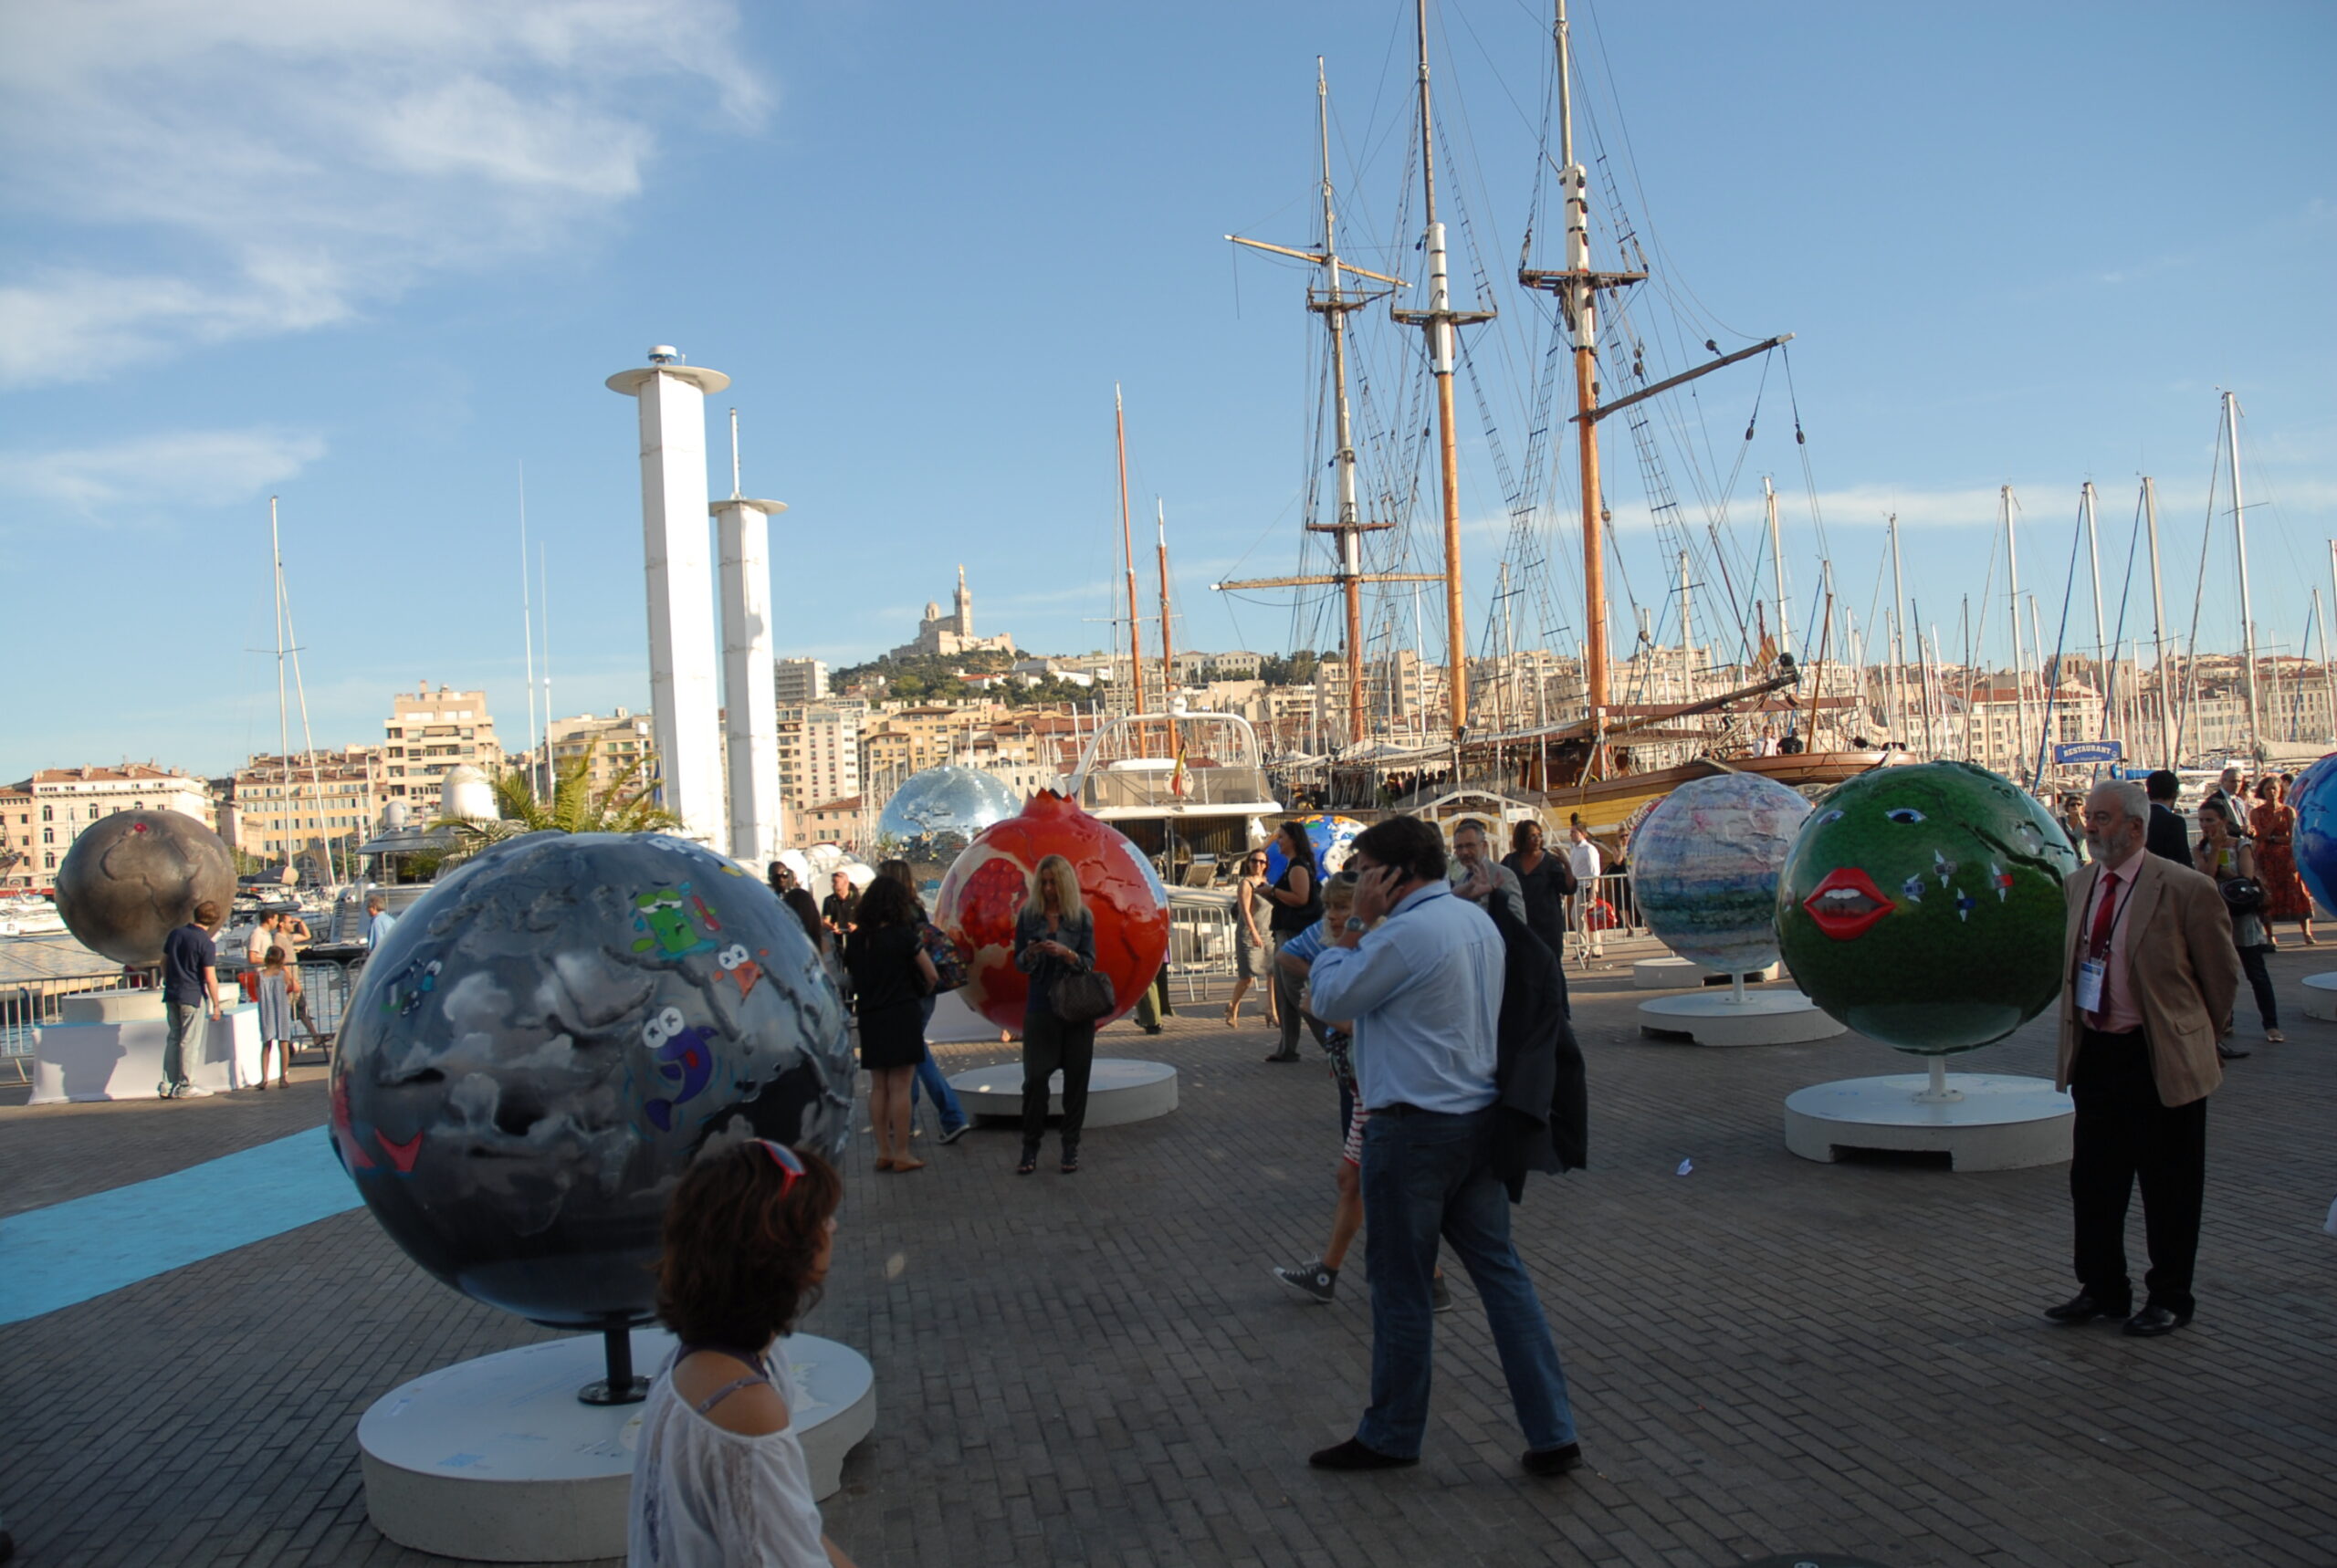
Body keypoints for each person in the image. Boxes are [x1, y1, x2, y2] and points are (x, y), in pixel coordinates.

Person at [1304, 815, 1580, 1476]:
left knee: (1400, 1287)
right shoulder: (1471, 921)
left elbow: (1327, 993)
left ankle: (1392, 1433)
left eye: (1364, 869)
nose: (1357, 882)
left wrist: (1355, 925)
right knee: (1503, 1279)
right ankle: (1553, 1431)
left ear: (1394, 875)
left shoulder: (1404, 933)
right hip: (1477, 1122)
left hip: (1412, 1131)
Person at [2051, 779, 2241, 1338]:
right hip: (2097, 1053)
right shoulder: (2079, 884)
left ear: (2137, 827)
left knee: (2170, 1187)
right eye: (2089, 817)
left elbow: (2221, 975)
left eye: (2103, 818)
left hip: (2159, 1054)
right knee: (2094, 1183)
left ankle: (2170, 1297)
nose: (2091, 827)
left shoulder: (2183, 888)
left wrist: (2198, 1035)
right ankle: (2104, 1289)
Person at [627, 1137, 856, 1568]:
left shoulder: (701, 1360)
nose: (833, 1227)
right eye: (821, 1218)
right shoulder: (745, 1406)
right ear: (780, 1249)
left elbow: (794, 1532)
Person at [1268, 872, 1454, 1314]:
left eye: (1342, 908)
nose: (1332, 916)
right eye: (1329, 907)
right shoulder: (1345, 948)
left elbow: (1378, 1024)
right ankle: (1329, 1274)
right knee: (1354, 1182)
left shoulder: (1379, 951)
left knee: (1380, 1187)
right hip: (1364, 1088)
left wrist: (1327, 1010)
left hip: (1383, 1090)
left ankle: (1427, 1279)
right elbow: (1288, 956)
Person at [842, 875, 938, 1173]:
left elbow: (850, 976)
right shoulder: (903, 937)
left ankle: (883, 1151)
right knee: (901, 1086)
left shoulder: (858, 939)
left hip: (870, 1015)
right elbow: (932, 975)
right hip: (901, 1013)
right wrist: (919, 992)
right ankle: (902, 1153)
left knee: (878, 1087)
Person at [1012, 853, 1099, 1176]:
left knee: (1077, 1080)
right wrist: (1032, 953)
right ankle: (1030, 1146)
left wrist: (1068, 954)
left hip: (1075, 1006)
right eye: (1043, 882)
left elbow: (1089, 961)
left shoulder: (1081, 917)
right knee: (1035, 1080)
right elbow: (1018, 962)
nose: (1048, 888)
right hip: (1040, 1004)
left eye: (1053, 882)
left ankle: (1070, 1146)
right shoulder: (1028, 916)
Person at [876, 859, 969, 1146]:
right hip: (922, 993)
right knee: (911, 1056)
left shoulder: (894, 917)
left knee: (915, 1056)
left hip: (907, 994)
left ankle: (950, 1115)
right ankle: (910, 1120)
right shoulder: (915, 910)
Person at [2196, 798, 2280, 1050]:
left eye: (2209, 820)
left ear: (2223, 821)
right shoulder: (2200, 848)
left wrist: (2223, 866)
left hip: (2242, 916)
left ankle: (2271, 1023)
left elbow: (2246, 878)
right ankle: (2224, 1021)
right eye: (2201, 821)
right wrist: (2215, 852)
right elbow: (2205, 877)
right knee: (2219, 974)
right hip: (2215, 916)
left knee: (2256, 971)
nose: (2205, 825)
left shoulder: (2242, 845)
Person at [1261, 821, 1325, 1063]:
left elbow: (1300, 898)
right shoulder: (1292, 866)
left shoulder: (1298, 867)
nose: (1279, 841)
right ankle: (1287, 1047)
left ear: (1294, 840)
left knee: (1295, 992)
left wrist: (1273, 893)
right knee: (1284, 996)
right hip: (1285, 933)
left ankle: (1331, 1043)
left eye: (1282, 837)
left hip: (1293, 936)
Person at [1502, 821, 1576, 1018]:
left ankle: (1561, 1012)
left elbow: (1568, 888)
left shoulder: (1550, 861)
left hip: (1547, 924)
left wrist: (1567, 865)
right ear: (1521, 839)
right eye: (1532, 836)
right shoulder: (1510, 861)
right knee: (1523, 969)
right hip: (1521, 925)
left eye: (1539, 835)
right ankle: (1530, 1014)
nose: (1537, 840)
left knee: (1552, 967)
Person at [159, 900, 225, 1099]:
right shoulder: (205, 943)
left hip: (172, 993)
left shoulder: (176, 934)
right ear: (214, 921)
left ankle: (167, 1084)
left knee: (173, 1038)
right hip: (192, 994)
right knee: (189, 1041)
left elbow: (164, 961)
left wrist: (168, 979)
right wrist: (216, 1005)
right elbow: (210, 978)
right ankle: (186, 1085)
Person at [2248, 775, 2315, 948]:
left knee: (2297, 890)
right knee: (2269, 893)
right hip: (2266, 858)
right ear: (2262, 792)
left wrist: (2274, 838)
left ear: (2280, 791)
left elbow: (2292, 837)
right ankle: (2270, 934)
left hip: (2286, 857)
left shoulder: (2289, 811)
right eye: (2268, 789)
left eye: (2274, 789)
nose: (2271, 792)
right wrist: (2272, 826)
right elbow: (2259, 836)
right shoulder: (2256, 812)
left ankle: (2306, 931)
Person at [1223, 850, 1277, 1029]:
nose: (1258, 865)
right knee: (1248, 977)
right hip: (1249, 933)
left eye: (1262, 862)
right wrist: (1253, 932)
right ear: (1248, 862)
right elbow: (1245, 911)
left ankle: (1272, 1011)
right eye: (1254, 861)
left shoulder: (1267, 884)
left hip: (1268, 933)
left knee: (1272, 973)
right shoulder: (1246, 884)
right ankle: (1233, 1006)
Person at [1449, 821, 1526, 925]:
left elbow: (1519, 921)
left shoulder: (1503, 876)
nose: (1464, 852)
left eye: (1470, 845)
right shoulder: (1461, 881)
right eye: (1459, 847)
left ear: (1484, 846)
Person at [256, 945, 299, 1090]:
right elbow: (297, 987)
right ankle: (283, 1078)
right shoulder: (283, 975)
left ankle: (264, 1078)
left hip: (266, 1010)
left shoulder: (260, 975)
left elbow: (257, 993)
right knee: (283, 1043)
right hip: (281, 1009)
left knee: (266, 1045)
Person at [1564, 825, 1605, 962]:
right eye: (1571, 833)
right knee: (1584, 917)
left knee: (1583, 917)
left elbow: (1595, 871)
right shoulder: (1574, 849)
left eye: (1574, 832)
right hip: (1578, 886)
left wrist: (1593, 890)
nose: (1571, 835)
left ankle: (1587, 948)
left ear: (1582, 834)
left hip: (1586, 886)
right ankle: (1592, 947)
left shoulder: (1589, 849)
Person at [2143, 769, 2191, 864]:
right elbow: (2183, 861)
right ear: (2175, 794)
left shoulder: (2137, 818)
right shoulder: (2174, 822)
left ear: (2148, 794)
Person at [820, 872, 860, 940]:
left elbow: (866, 919)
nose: (832, 885)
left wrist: (856, 926)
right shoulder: (829, 900)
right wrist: (832, 926)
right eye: (832, 882)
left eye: (835, 882)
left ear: (846, 883)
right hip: (836, 939)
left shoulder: (857, 899)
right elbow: (825, 921)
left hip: (855, 937)